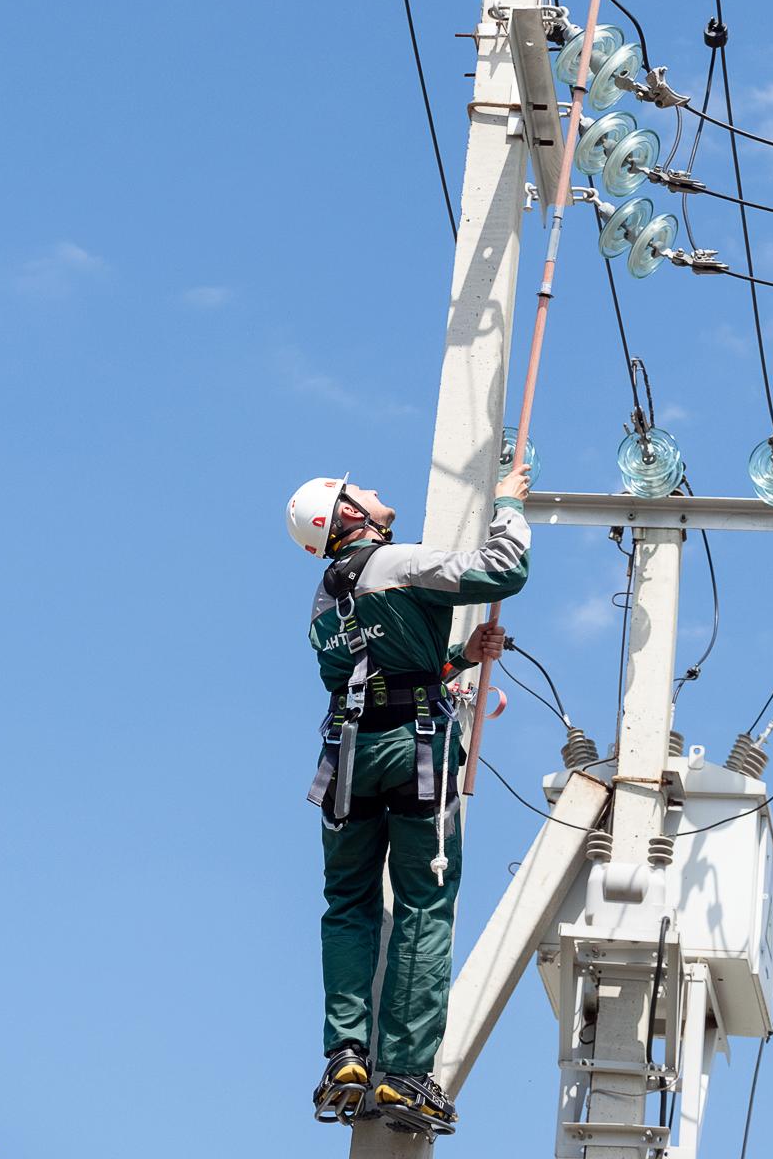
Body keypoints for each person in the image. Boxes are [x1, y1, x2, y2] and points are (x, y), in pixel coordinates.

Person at [284, 467, 531, 1134]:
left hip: (345, 761)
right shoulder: (396, 560)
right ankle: (405, 1076)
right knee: (423, 902)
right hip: (412, 752)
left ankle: (346, 1054)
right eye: (355, 488)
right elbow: (501, 570)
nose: (368, 487)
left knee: (348, 905)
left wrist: (456, 660)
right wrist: (509, 505)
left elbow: (374, 670)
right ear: (345, 514)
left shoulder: (324, 598)